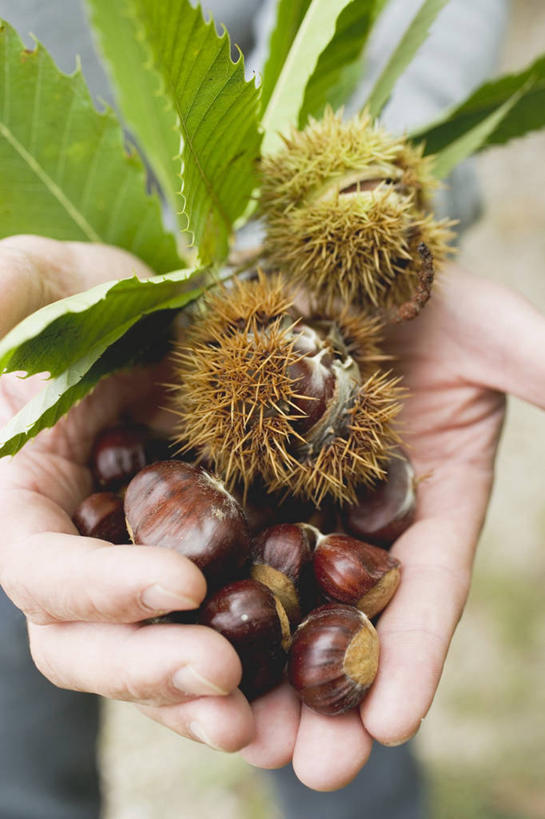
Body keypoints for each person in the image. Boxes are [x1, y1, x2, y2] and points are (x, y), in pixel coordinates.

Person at [2, 1, 542, 818]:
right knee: (24, 758)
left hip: (259, 214)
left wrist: (390, 146)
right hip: (32, 411)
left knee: (347, 749)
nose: (317, 359)